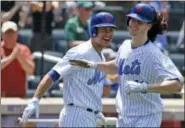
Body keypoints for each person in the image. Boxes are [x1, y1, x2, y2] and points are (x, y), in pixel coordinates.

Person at [69, 3, 184, 127]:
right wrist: (94, 65)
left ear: (149, 26)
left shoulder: (154, 54)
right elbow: (118, 66)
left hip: (147, 118)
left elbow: (177, 84)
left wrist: (144, 87)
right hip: (124, 117)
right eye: (132, 20)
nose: (133, 24)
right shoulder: (125, 45)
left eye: (139, 22)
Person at [20, 12, 116, 127]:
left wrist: (96, 109)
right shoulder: (80, 52)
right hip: (76, 116)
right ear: (94, 31)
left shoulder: (101, 56)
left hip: (89, 116)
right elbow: (54, 74)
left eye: (111, 30)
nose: (108, 34)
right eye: (104, 30)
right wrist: (36, 99)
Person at [1, 21, 35, 97]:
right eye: (7, 33)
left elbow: (30, 70)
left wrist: (20, 57)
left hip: (20, 97)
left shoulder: (23, 49)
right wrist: (11, 57)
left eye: (12, 33)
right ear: (2, 35)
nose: (10, 35)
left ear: (17, 34)